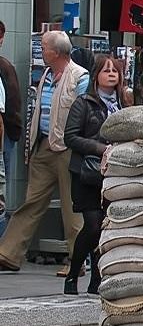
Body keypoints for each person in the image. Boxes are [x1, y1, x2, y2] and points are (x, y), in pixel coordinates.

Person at [0, 31, 89, 274]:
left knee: (72, 206)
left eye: (44, 46)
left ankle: (77, 260)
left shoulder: (79, 76)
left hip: (68, 146)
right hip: (44, 145)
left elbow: (83, 113)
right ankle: (8, 253)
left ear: (56, 52)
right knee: (33, 201)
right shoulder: (48, 74)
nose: (41, 49)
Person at [62, 55, 127, 294]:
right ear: (96, 75)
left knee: (105, 228)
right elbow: (70, 137)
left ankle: (96, 280)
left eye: (115, 71)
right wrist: (101, 148)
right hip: (86, 174)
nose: (111, 74)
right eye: (105, 70)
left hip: (114, 174)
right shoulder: (84, 102)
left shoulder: (123, 104)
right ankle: (73, 274)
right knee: (92, 226)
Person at [0, 22, 21, 237]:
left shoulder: (4, 67)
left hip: (4, 135)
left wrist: (12, 132)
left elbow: (13, 104)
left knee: (1, 188)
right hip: (6, 133)